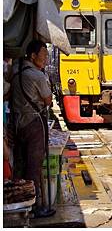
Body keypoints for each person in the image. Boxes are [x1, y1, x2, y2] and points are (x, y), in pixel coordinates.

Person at [10, 40, 55, 217]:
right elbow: (48, 100)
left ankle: (19, 202)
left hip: (17, 123)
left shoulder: (15, 70)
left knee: (21, 163)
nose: (45, 59)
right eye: (43, 56)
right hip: (34, 123)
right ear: (33, 56)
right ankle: (35, 206)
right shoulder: (36, 75)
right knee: (34, 166)